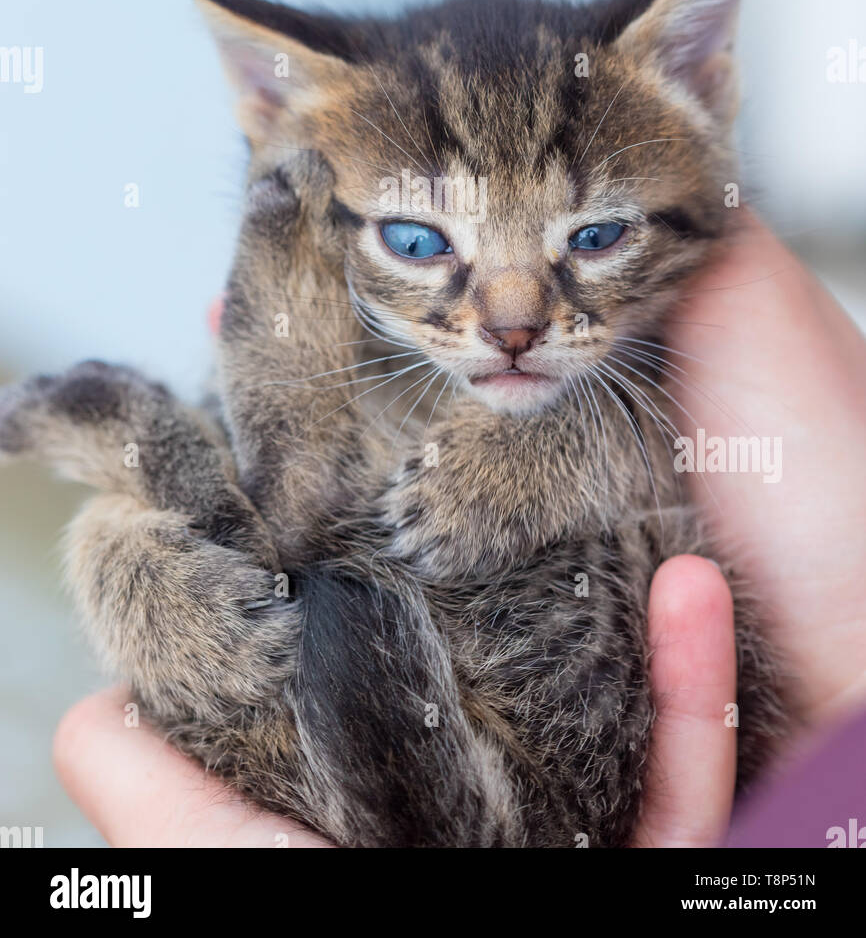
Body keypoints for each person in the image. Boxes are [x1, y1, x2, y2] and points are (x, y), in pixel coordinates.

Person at [53, 213, 866, 847]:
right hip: (480, 761)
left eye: (589, 231)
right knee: (122, 549)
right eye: (412, 236)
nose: (512, 320)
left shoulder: (640, 352)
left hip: (560, 754)